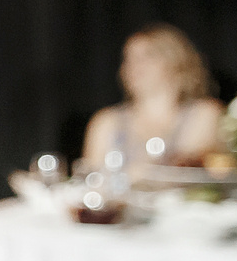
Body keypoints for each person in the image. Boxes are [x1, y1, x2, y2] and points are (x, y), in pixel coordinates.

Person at [80, 24, 221, 173]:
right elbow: (91, 180)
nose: (135, 66)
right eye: (128, 59)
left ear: (176, 61)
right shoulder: (106, 121)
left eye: (147, 56)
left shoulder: (204, 113)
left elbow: (185, 171)